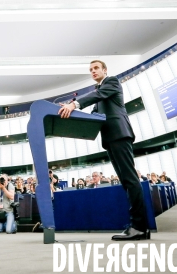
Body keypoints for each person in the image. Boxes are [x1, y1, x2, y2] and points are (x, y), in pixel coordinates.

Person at [58, 60, 149, 241]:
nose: (93, 71)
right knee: (126, 181)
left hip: (119, 135)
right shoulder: (99, 95)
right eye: (90, 69)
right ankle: (138, 226)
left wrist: (74, 104)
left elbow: (96, 95)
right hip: (110, 139)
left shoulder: (111, 82)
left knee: (130, 179)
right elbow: (93, 115)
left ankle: (139, 227)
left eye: (96, 68)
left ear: (104, 70)